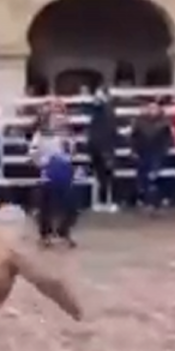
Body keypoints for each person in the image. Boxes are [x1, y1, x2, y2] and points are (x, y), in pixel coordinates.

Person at [30, 110, 77, 248]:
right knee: (46, 206)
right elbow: (33, 152)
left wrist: (67, 155)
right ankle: (45, 234)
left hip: (65, 173)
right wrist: (43, 162)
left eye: (61, 119)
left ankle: (64, 231)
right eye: (56, 119)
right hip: (48, 174)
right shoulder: (41, 135)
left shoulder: (67, 135)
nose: (59, 121)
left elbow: (72, 152)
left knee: (69, 206)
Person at [129, 99, 173, 214]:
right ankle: (146, 202)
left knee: (153, 178)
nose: (152, 110)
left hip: (157, 153)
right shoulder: (140, 122)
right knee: (143, 179)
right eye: (150, 108)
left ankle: (154, 203)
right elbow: (134, 138)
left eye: (154, 108)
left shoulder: (164, 123)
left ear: (159, 109)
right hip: (142, 153)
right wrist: (134, 150)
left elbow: (168, 139)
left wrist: (165, 151)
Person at [85, 84, 119, 212]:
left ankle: (111, 201)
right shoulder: (97, 109)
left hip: (105, 145)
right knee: (100, 175)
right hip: (97, 145)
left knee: (108, 174)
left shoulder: (108, 110)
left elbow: (111, 129)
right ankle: (102, 201)